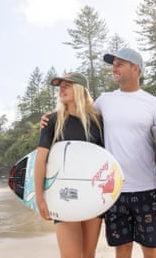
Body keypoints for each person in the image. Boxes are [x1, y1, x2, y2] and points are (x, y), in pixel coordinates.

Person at [42, 48, 156, 258]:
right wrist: (52, 118)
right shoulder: (104, 101)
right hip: (111, 191)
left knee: (150, 247)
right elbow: (79, 115)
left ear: (136, 68)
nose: (114, 68)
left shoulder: (154, 104)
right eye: (113, 64)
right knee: (122, 247)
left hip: (146, 188)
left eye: (119, 64)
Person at [34, 72, 104, 258]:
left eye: (67, 85)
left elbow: (104, 161)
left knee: (88, 255)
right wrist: (39, 197)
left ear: (80, 89)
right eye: (60, 86)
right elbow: (40, 160)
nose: (61, 89)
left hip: (92, 194)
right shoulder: (53, 121)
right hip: (62, 195)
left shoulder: (97, 122)